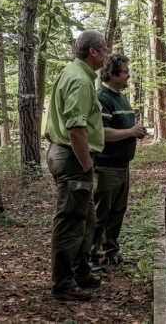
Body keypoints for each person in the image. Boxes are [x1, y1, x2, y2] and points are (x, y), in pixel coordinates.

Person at [45, 30, 107, 300]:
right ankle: (63, 283)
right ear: (93, 52)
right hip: (72, 158)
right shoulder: (80, 80)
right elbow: (75, 129)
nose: (106, 53)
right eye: (104, 48)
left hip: (70, 156)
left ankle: (80, 273)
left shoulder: (74, 73)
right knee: (70, 220)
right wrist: (86, 166)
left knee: (87, 219)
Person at [89, 54, 147, 271]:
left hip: (122, 165)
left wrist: (134, 132)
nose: (128, 76)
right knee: (100, 214)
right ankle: (92, 257)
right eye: (124, 72)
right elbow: (101, 132)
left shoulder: (121, 97)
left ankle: (110, 253)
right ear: (112, 74)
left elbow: (121, 128)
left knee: (117, 212)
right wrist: (130, 131)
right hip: (105, 167)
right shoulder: (102, 97)